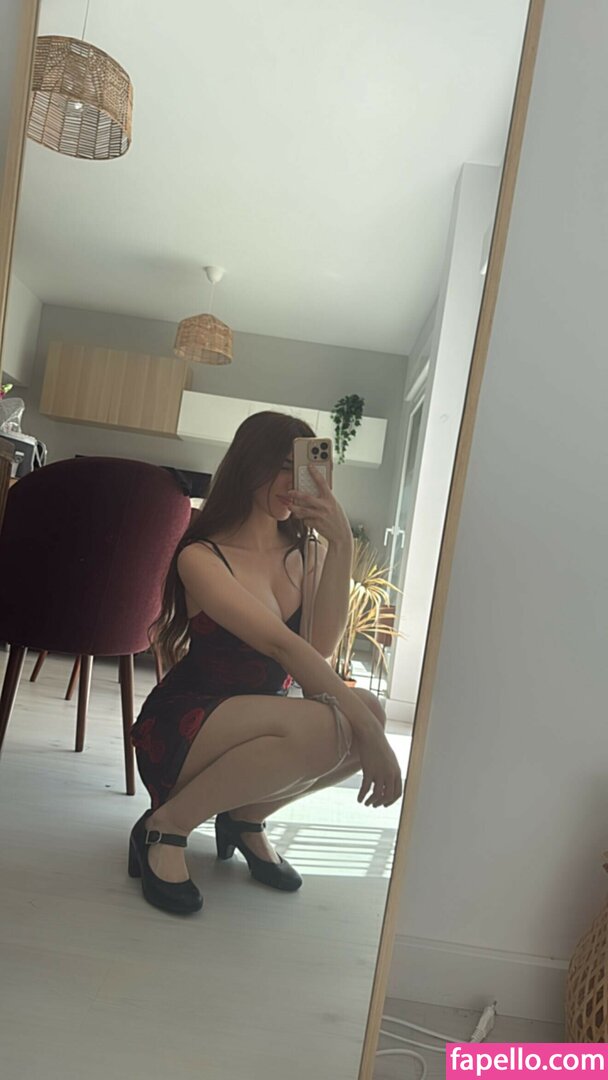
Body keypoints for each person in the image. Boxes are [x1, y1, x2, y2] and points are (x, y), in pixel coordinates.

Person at [129, 410, 402, 915]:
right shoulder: (201, 555)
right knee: (341, 724)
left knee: (368, 711)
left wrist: (340, 543)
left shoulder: (304, 553)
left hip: (260, 728)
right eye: (281, 466)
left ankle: (245, 819)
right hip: (186, 727)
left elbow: (318, 646)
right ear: (248, 465)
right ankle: (166, 826)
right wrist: (368, 732)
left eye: (301, 468)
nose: (292, 482)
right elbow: (283, 647)